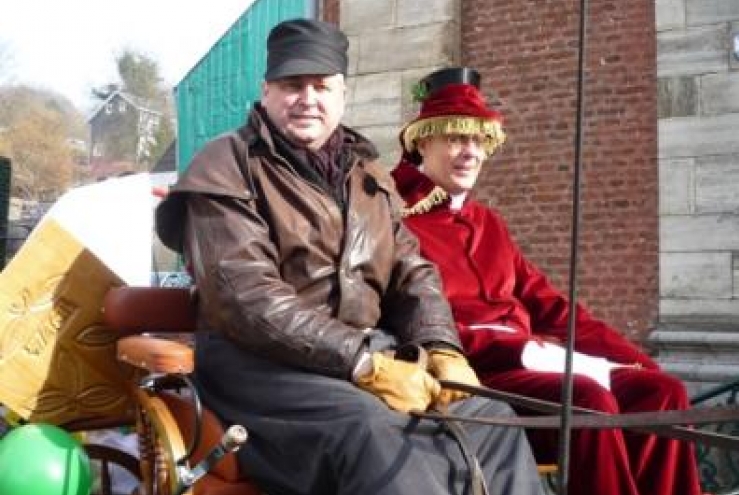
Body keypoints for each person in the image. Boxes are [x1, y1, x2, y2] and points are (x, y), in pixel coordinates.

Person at [154, 19, 543, 495]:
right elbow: (246, 297)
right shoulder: (226, 165)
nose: (307, 99)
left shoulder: (369, 174)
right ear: (266, 91)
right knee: (377, 434)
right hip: (261, 367)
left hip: (363, 357)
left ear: (342, 95)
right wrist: (363, 364)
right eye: (292, 85)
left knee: (490, 419)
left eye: (321, 86)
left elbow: (412, 272)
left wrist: (442, 348)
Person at [391, 67, 704, 495]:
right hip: (473, 376)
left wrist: (633, 359)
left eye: (479, 141)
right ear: (422, 142)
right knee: (586, 399)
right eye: (456, 139)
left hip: (535, 363)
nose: (470, 153)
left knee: (662, 392)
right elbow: (413, 320)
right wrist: (518, 348)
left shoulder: (489, 223)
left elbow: (551, 308)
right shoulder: (397, 222)